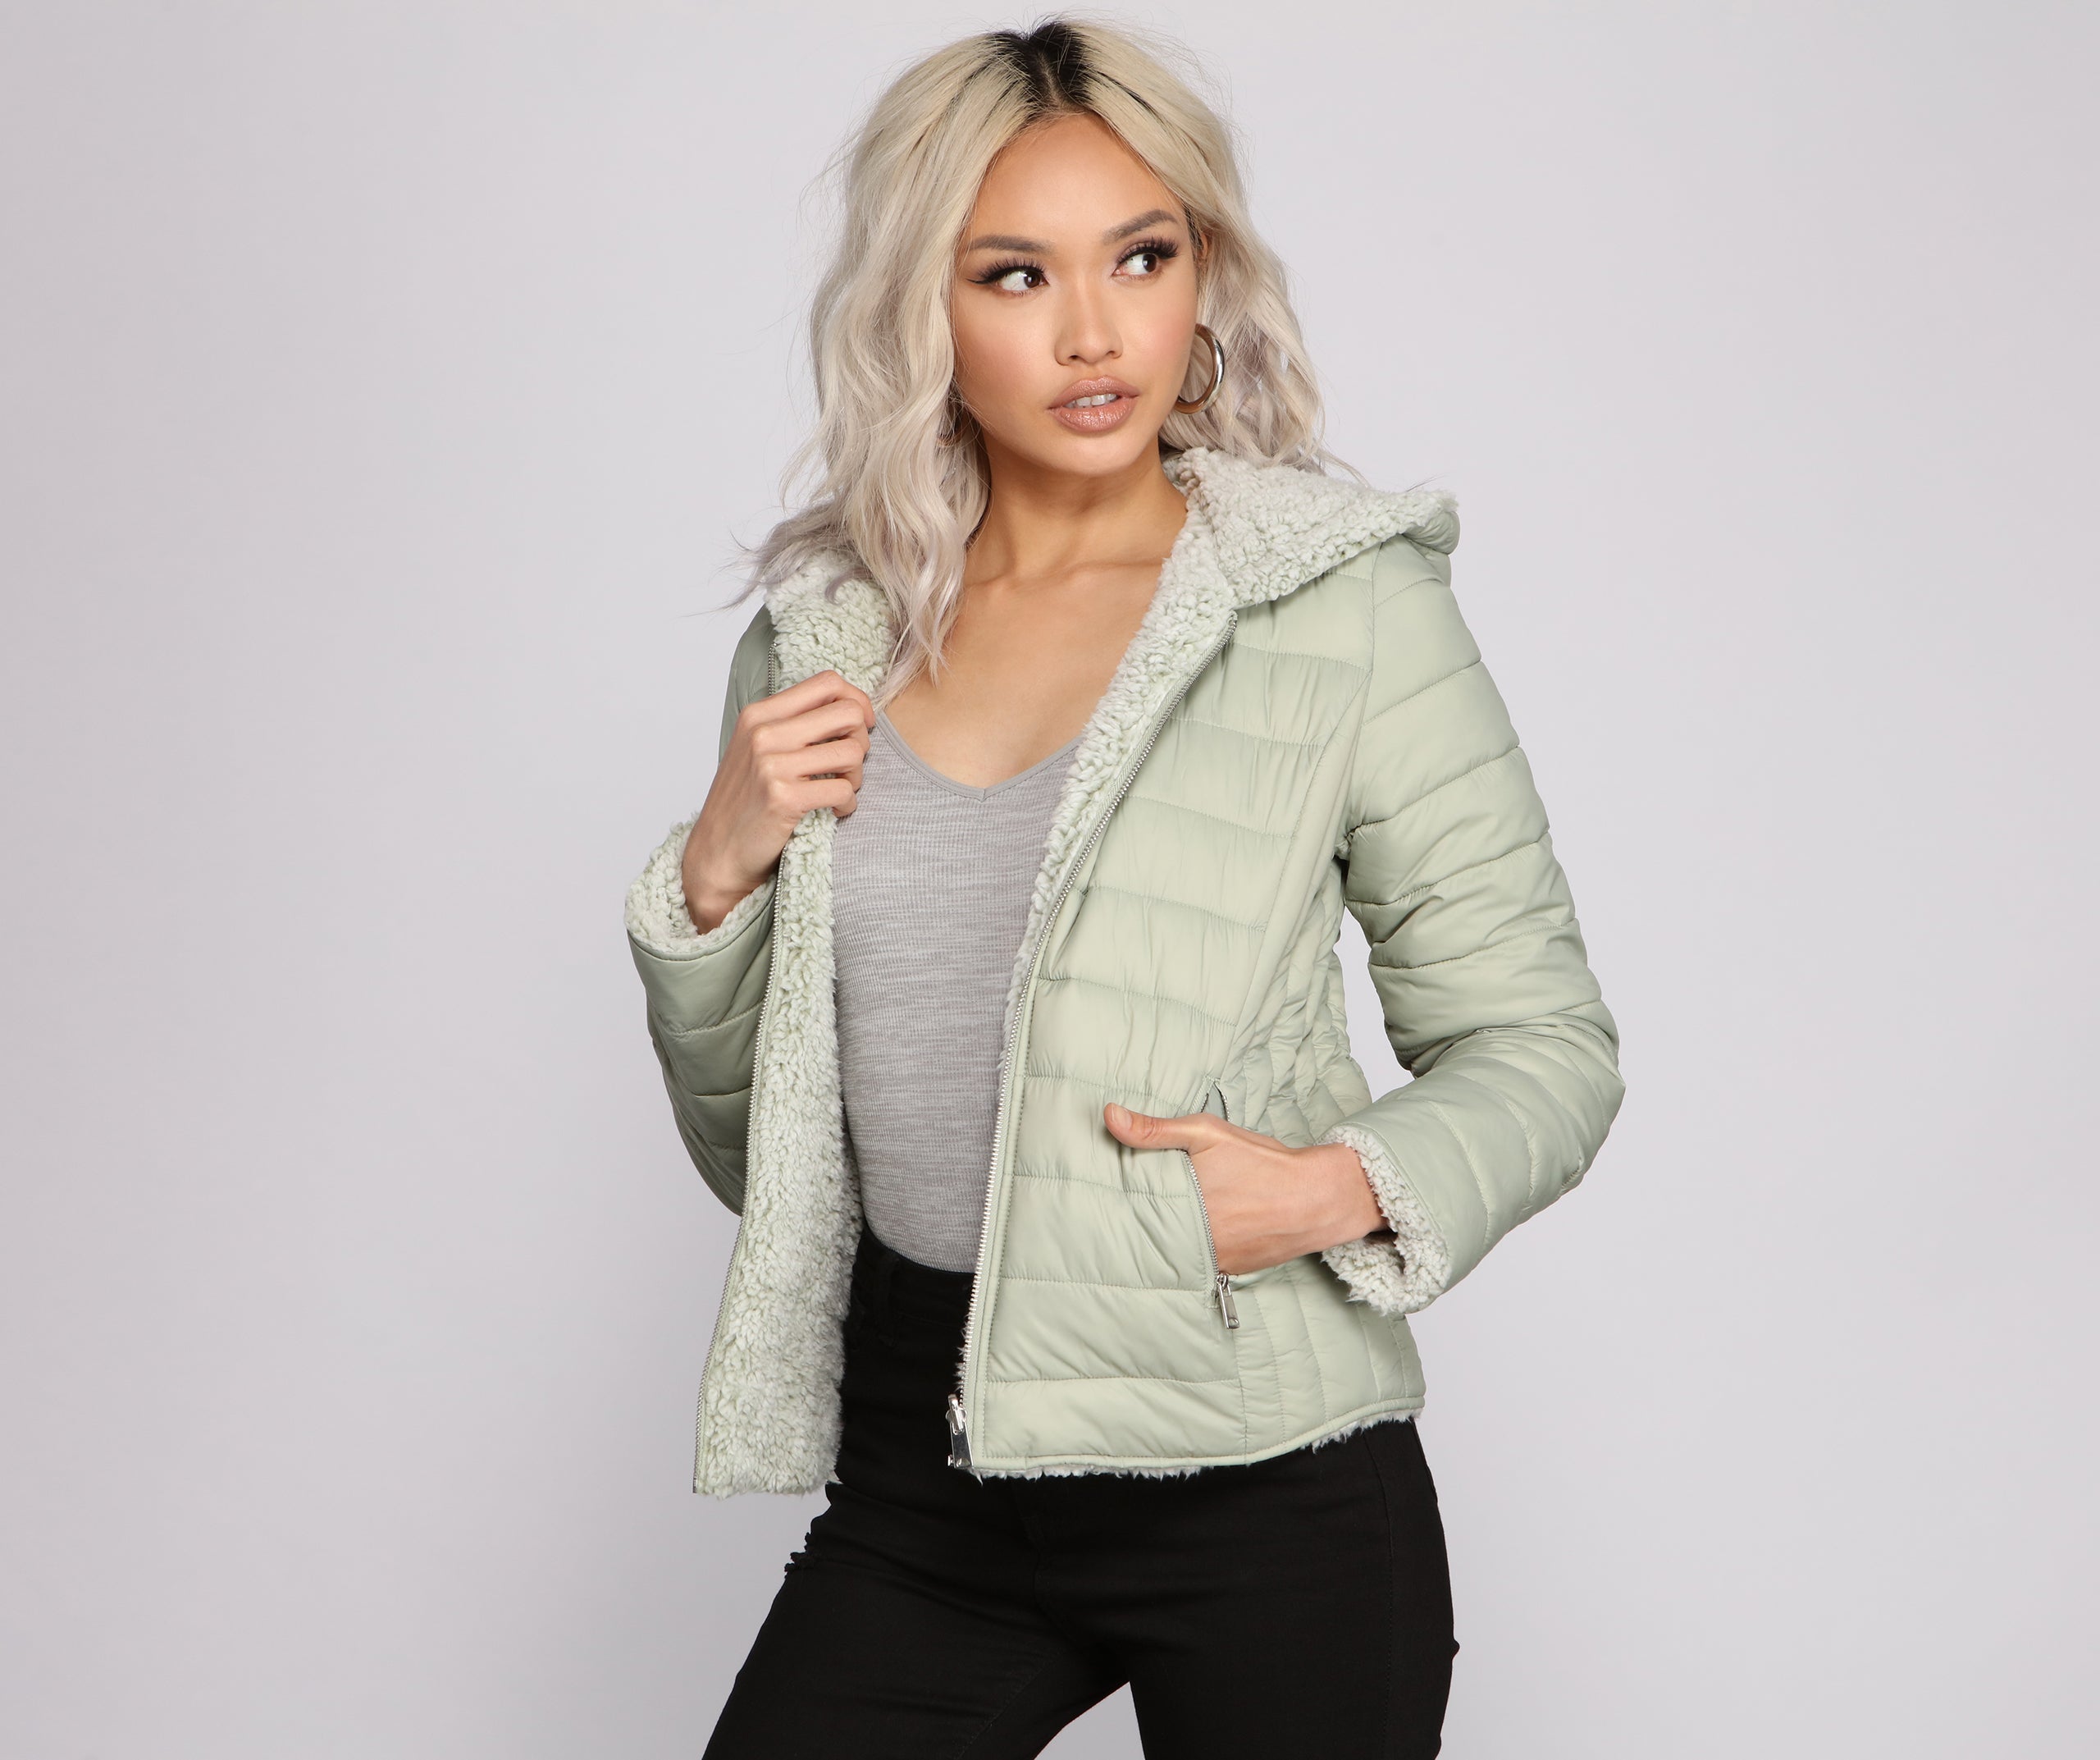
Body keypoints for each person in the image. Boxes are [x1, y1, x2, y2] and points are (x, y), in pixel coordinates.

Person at [623, 18, 1624, 1757]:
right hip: (925, 1471)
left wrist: (1327, 1190)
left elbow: (1546, 1046)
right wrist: (713, 881)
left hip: (1262, 1480)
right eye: (1016, 274)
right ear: (923, 309)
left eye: (1141, 258)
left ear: (1202, 275)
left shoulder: (1338, 608)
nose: (1092, 332)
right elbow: (770, 1167)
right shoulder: (827, 641)